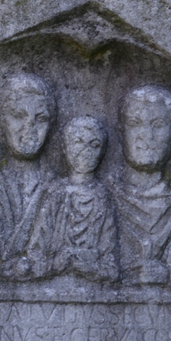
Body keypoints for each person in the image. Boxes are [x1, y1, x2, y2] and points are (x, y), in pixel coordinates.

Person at [0, 73, 56, 280]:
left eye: (41, 118)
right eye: (19, 116)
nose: (30, 127)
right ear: (1, 121)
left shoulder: (58, 187)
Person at [110, 85, 171, 286]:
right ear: (120, 132)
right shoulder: (103, 195)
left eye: (158, 124)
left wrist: (165, 275)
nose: (146, 135)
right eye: (135, 123)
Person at [27, 115, 119, 282]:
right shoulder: (55, 194)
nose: (86, 150)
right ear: (65, 147)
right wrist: (56, 263)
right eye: (78, 142)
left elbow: (111, 266)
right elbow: (35, 254)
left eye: (94, 145)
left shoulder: (102, 198)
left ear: (102, 151)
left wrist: (89, 268)